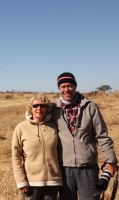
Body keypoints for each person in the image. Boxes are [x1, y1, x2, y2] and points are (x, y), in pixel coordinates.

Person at [52, 72, 118, 200]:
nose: (66, 89)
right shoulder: (53, 109)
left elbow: (102, 136)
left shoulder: (90, 106)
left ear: (75, 86)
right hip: (64, 168)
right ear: (59, 88)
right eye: (63, 86)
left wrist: (111, 161)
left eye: (70, 86)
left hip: (88, 166)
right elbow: (43, 132)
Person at [12, 94, 63, 200]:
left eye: (42, 106)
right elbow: (16, 156)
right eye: (35, 106)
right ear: (31, 108)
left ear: (47, 109)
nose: (39, 108)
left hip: (52, 183)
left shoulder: (54, 127)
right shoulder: (21, 128)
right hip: (31, 184)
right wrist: (21, 181)